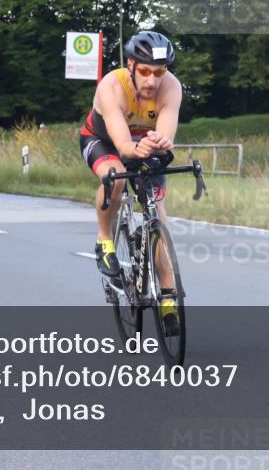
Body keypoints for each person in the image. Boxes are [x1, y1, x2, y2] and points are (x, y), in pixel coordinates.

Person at [79, 31, 183, 334]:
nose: (152, 80)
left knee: (157, 214)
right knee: (116, 179)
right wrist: (135, 151)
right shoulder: (111, 86)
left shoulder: (172, 88)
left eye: (160, 72)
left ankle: (167, 298)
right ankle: (104, 239)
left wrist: (162, 142)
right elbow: (124, 147)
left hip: (144, 145)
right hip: (104, 141)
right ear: (131, 65)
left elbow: (166, 135)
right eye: (146, 71)